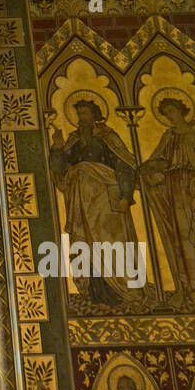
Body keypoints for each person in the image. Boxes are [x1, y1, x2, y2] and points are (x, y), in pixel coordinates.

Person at [49, 99, 141, 306]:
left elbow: (124, 166)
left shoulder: (108, 138)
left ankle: (124, 289)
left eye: (86, 114)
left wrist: (126, 196)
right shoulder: (73, 140)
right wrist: (57, 148)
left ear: (95, 116)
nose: (82, 118)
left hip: (106, 199)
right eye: (79, 114)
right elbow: (60, 169)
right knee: (86, 245)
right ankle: (94, 291)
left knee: (111, 243)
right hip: (80, 200)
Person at [138, 98, 195, 304]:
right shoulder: (169, 136)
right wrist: (150, 168)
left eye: (172, 111)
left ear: (182, 110)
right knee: (183, 240)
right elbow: (162, 160)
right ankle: (194, 287)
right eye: (166, 113)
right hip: (175, 193)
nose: (170, 116)